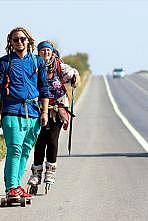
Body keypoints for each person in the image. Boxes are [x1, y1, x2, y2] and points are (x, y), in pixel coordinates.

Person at [0, 27, 49, 200]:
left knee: (26, 151)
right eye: (15, 40)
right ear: (10, 43)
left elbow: (44, 88)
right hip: (12, 111)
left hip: (34, 113)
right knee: (15, 149)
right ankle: (12, 187)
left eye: (22, 39)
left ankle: (17, 187)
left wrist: (44, 112)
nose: (19, 42)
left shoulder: (38, 62)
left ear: (28, 40)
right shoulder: (5, 62)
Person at [27, 41, 80, 193]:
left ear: (52, 52)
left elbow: (73, 74)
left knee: (52, 140)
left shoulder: (59, 66)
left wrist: (75, 78)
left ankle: (50, 170)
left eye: (48, 50)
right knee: (39, 141)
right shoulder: (34, 65)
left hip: (57, 109)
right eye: (42, 50)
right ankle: (36, 173)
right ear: (38, 52)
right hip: (37, 108)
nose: (45, 53)